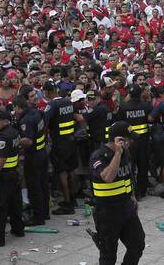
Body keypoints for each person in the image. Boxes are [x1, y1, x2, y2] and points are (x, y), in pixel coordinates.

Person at [89, 121, 145, 265]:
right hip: (108, 213)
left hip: (126, 208)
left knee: (137, 245)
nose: (131, 142)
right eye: (128, 139)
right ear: (118, 140)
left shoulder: (126, 152)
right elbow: (108, 177)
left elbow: (128, 175)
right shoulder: (99, 156)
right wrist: (117, 154)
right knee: (108, 255)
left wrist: (132, 196)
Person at [44, 80, 83, 214]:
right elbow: (78, 118)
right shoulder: (68, 101)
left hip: (59, 143)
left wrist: (44, 139)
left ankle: (67, 204)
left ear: (46, 92)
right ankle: (72, 198)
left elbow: (45, 123)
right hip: (71, 140)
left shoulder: (52, 104)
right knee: (71, 170)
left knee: (62, 172)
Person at [13, 95, 49, 226]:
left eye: (15, 109)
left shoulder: (25, 121)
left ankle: (38, 217)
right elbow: (44, 127)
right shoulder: (37, 112)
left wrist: (15, 140)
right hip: (42, 153)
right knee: (43, 184)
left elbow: (27, 140)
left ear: (18, 107)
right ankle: (45, 212)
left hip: (33, 156)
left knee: (34, 187)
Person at [0, 110, 24, 247]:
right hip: (13, 173)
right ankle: (18, 230)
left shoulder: (3, 137)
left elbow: (1, 159)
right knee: (15, 203)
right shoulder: (14, 132)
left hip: (3, 175)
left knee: (1, 207)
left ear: (6, 121)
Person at [117, 84, 152, 200]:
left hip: (129, 142)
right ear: (140, 94)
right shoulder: (146, 106)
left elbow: (120, 123)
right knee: (143, 165)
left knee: (130, 167)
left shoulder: (123, 107)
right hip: (143, 141)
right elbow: (151, 119)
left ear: (130, 94)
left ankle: (133, 191)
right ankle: (142, 190)